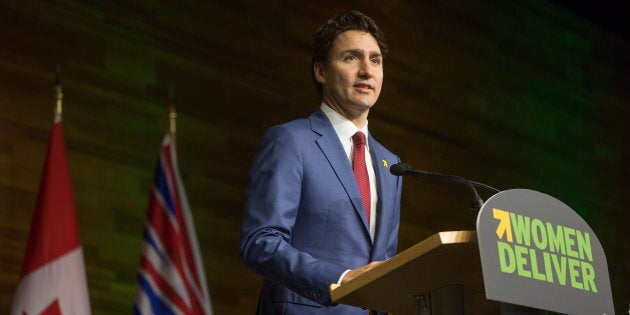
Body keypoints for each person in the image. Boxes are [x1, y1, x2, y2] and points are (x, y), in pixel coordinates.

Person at [240, 10, 402, 315]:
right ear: (320, 71)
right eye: (352, 58)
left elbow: (382, 264)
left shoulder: (391, 165)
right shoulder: (290, 140)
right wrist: (340, 280)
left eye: (375, 60)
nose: (367, 71)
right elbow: (260, 242)